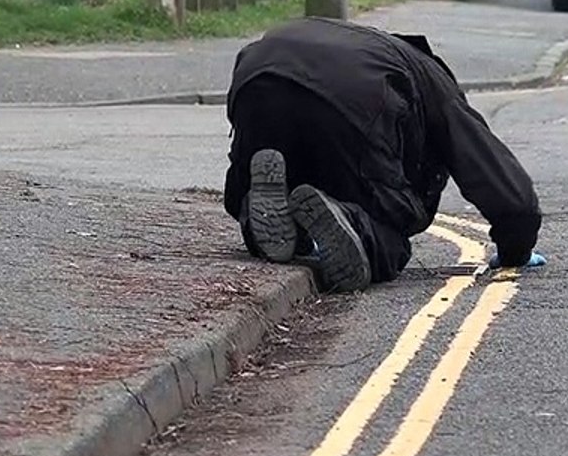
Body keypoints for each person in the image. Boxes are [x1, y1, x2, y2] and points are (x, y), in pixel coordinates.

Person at [222, 17, 547, 293]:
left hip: (259, 71)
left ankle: (257, 215)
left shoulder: (363, 42)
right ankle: (354, 223)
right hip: (357, 91)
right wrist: (516, 246)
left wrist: (239, 195)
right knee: (388, 229)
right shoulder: (425, 75)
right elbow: (485, 165)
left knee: (272, 178)